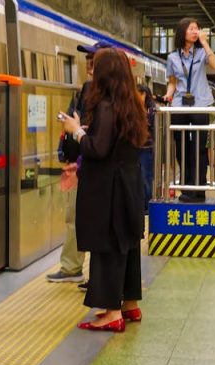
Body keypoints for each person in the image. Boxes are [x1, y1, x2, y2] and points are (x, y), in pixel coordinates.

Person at [59, 49, 148, 332]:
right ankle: (129, 304)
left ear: (105, 74)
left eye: (95, 68)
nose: (91, 72)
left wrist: (76, 130)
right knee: (127, 245)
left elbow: (98, 149)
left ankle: (112, 313)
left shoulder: (107, 106)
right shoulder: (131, 105)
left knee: (107, 246)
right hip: (127, 185)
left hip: (109, 190)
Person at [47, 40, 110, 288]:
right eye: (87, 59)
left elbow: (94, 133)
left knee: (87, 219)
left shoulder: (106, 96)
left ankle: (89, 273)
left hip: (92, 164)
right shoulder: (87, 89)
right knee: (76, 217)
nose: (89, 63)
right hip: (81, 161)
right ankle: (76, 268)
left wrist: (79, 130)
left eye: (94, 59)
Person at [163, 18, 215, 202]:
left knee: (199, 148)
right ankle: (186, 188)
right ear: (182, 32)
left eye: (197, 28)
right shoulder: (172, 57)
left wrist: (205, 42)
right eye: (191, 29)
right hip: (180, 105)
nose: (196, 31)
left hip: (200, 104)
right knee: (181, 148)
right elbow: (173, 82)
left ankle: (199, 189)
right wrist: (168, 95)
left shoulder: (201, 53)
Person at [136, 84, 157, 212]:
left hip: (147, 147)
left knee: (146, 177)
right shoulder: (134, 108)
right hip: (135, 147)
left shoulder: (151, 110)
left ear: (144, 94)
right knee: (138, 178)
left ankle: (148, 205)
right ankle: (141, 204)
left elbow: (149, 127)